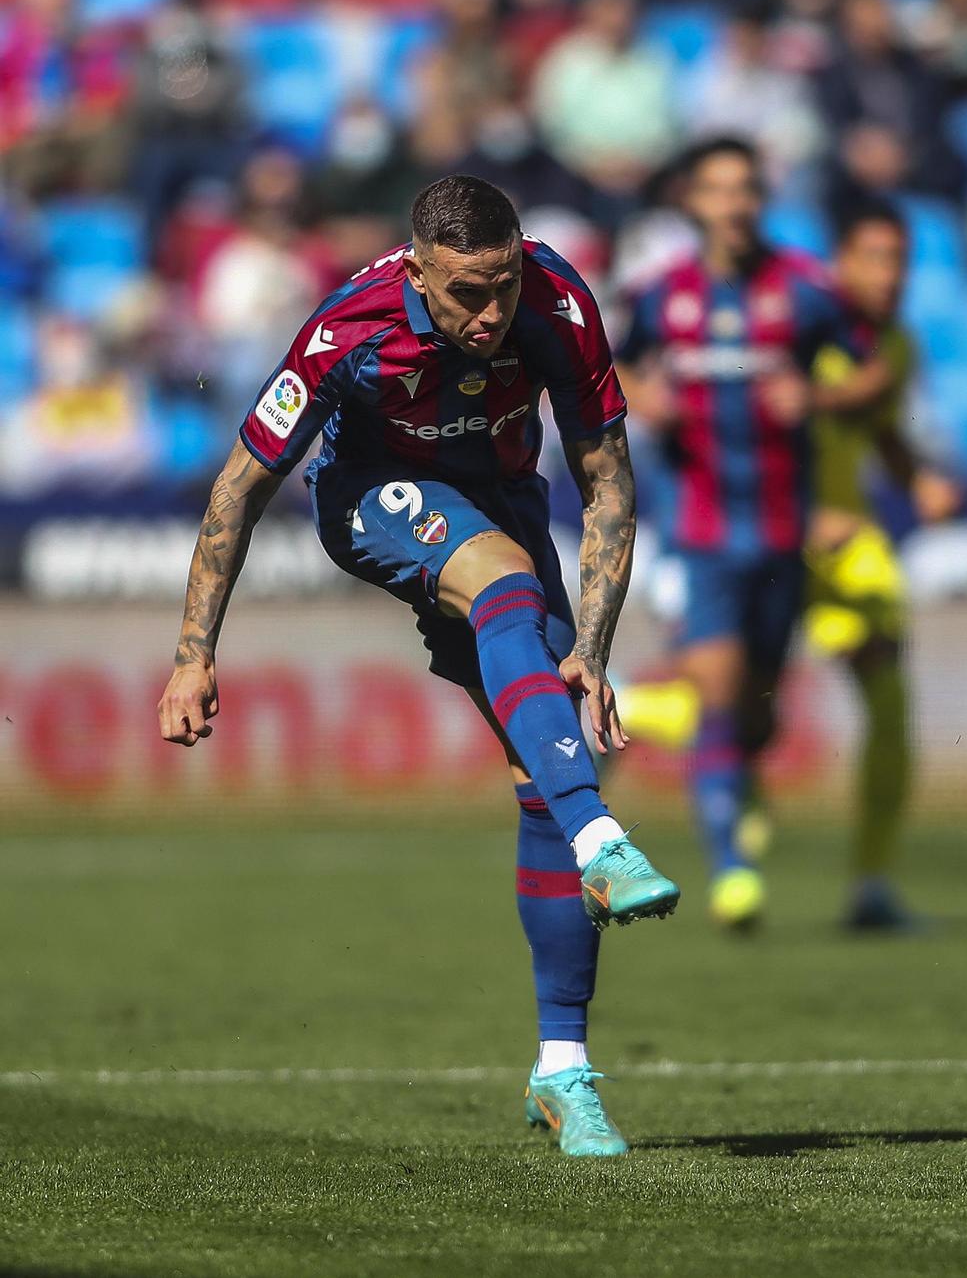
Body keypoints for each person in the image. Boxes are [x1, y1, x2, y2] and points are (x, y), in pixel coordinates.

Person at [155, 175, 679, 1158]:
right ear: (416, 266)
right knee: (508, 591)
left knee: (545, 769)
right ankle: (603, 843)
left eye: (502, 289)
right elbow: (238, 488)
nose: (490, 314)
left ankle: (562, 1071)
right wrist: (193, 655)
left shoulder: (558, 305)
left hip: (507, 503)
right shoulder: (346, 328)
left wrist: (596, 650)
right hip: (371, 498)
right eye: (465, 294)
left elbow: (608, 480)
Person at [623, 197, 960, 931]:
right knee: (742, 713)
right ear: (838, 265)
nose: (890, 276)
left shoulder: (892, 346)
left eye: (901, 260)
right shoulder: (796, 324)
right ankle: (630, 710)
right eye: (874, 258)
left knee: (889, 705)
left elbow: (878, 427)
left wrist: (916, 479)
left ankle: (873, 884)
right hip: (765, 533)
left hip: (847, 552)